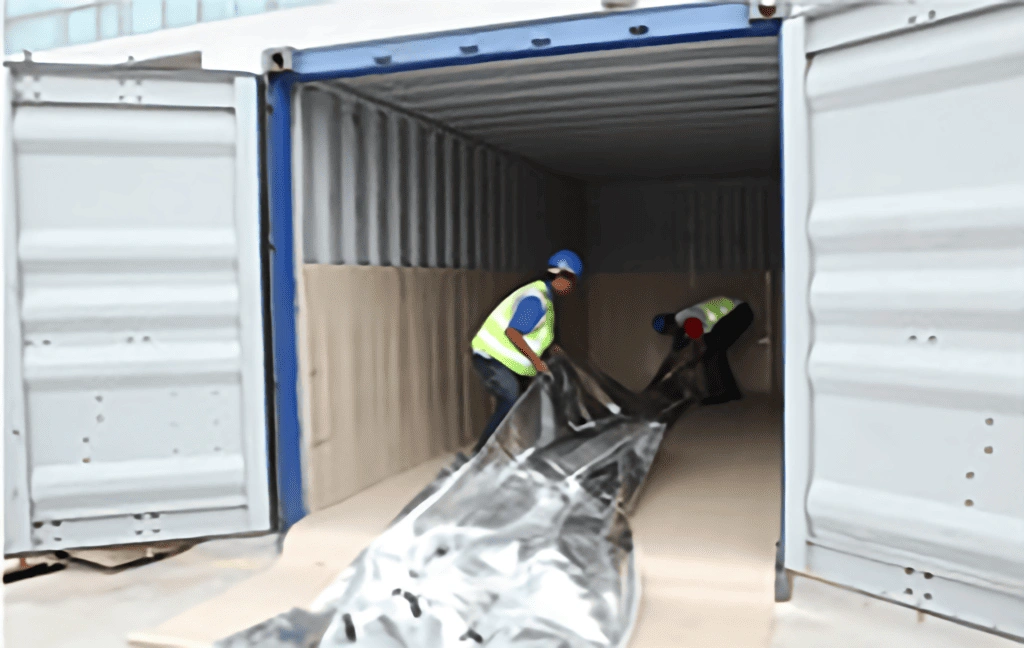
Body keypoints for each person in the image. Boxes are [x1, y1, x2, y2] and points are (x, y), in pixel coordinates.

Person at [469, 250, 583, 453]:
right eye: (573, 282)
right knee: (510, 397)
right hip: (491, 357)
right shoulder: (535, 300)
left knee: (525, 401)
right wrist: (537, 362)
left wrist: (553, 349)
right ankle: (482, 452)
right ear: (563, 277)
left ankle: (515, 448)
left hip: (507, 361)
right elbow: (513, 332)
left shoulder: (546, 299)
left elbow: (538, 334)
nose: (572, 288)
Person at [647, 296, 753, 406]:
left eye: (668, 333)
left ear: (670, 327)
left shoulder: (689, 321)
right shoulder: (680, 326)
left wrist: (692, 363)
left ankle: (728, 393)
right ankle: (724, 392)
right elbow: (671, 358)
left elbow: (702, 348)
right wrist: (654, 383)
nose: (670, 335)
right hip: (735, 313)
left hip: (740, 312)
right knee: (711, 350)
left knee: (713, 351)